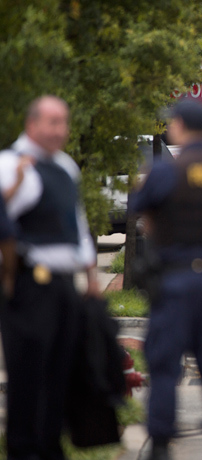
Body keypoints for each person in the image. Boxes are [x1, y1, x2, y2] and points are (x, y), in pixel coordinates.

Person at [130, 100, 202, 460]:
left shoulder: (166, 172)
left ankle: (160, 444)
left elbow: (139, 207)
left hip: (176, 279)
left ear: (178, 125)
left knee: (164, 364)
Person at [0, 96, 101, 459]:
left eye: (63, 122)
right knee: (28, 376)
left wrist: (91, 277)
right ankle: (24, 449)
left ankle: (50, 446)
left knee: (60, 374)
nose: (59, 130)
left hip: (63, 285)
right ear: (31, 125)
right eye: (51, 122)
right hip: (28, 286)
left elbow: (78, 222)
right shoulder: (9, 165)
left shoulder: (65, 166)